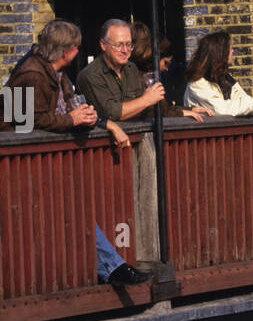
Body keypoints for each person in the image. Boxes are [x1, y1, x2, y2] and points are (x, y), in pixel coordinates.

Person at [1, 19, 150, 285]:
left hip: (47, 163)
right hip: (22, 166)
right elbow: (22, 124)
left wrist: (102, 121)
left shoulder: (57, 74)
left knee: (74, 208)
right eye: (76, 47)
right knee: (69, 209)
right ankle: (109, 269)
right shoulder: (30, 73)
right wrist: (72, 120)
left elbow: (74, 107)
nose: (78, 51)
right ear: (67, 50)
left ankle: (109, 267)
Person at [77, 18, 167, 123]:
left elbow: (148, 109)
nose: (125, 50)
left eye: (128, 45)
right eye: (119, 45)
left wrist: (183, 111)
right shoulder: (91, 75)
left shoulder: (131, 69)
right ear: (103, 45)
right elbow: (110, 113)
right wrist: (146, 100)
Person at [184, 29, 253, 117]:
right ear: (219, 52)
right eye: (230, 48)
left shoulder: (226, 79)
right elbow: (221, 110)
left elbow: (243, 105)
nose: (232, 51)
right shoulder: (197, 82)